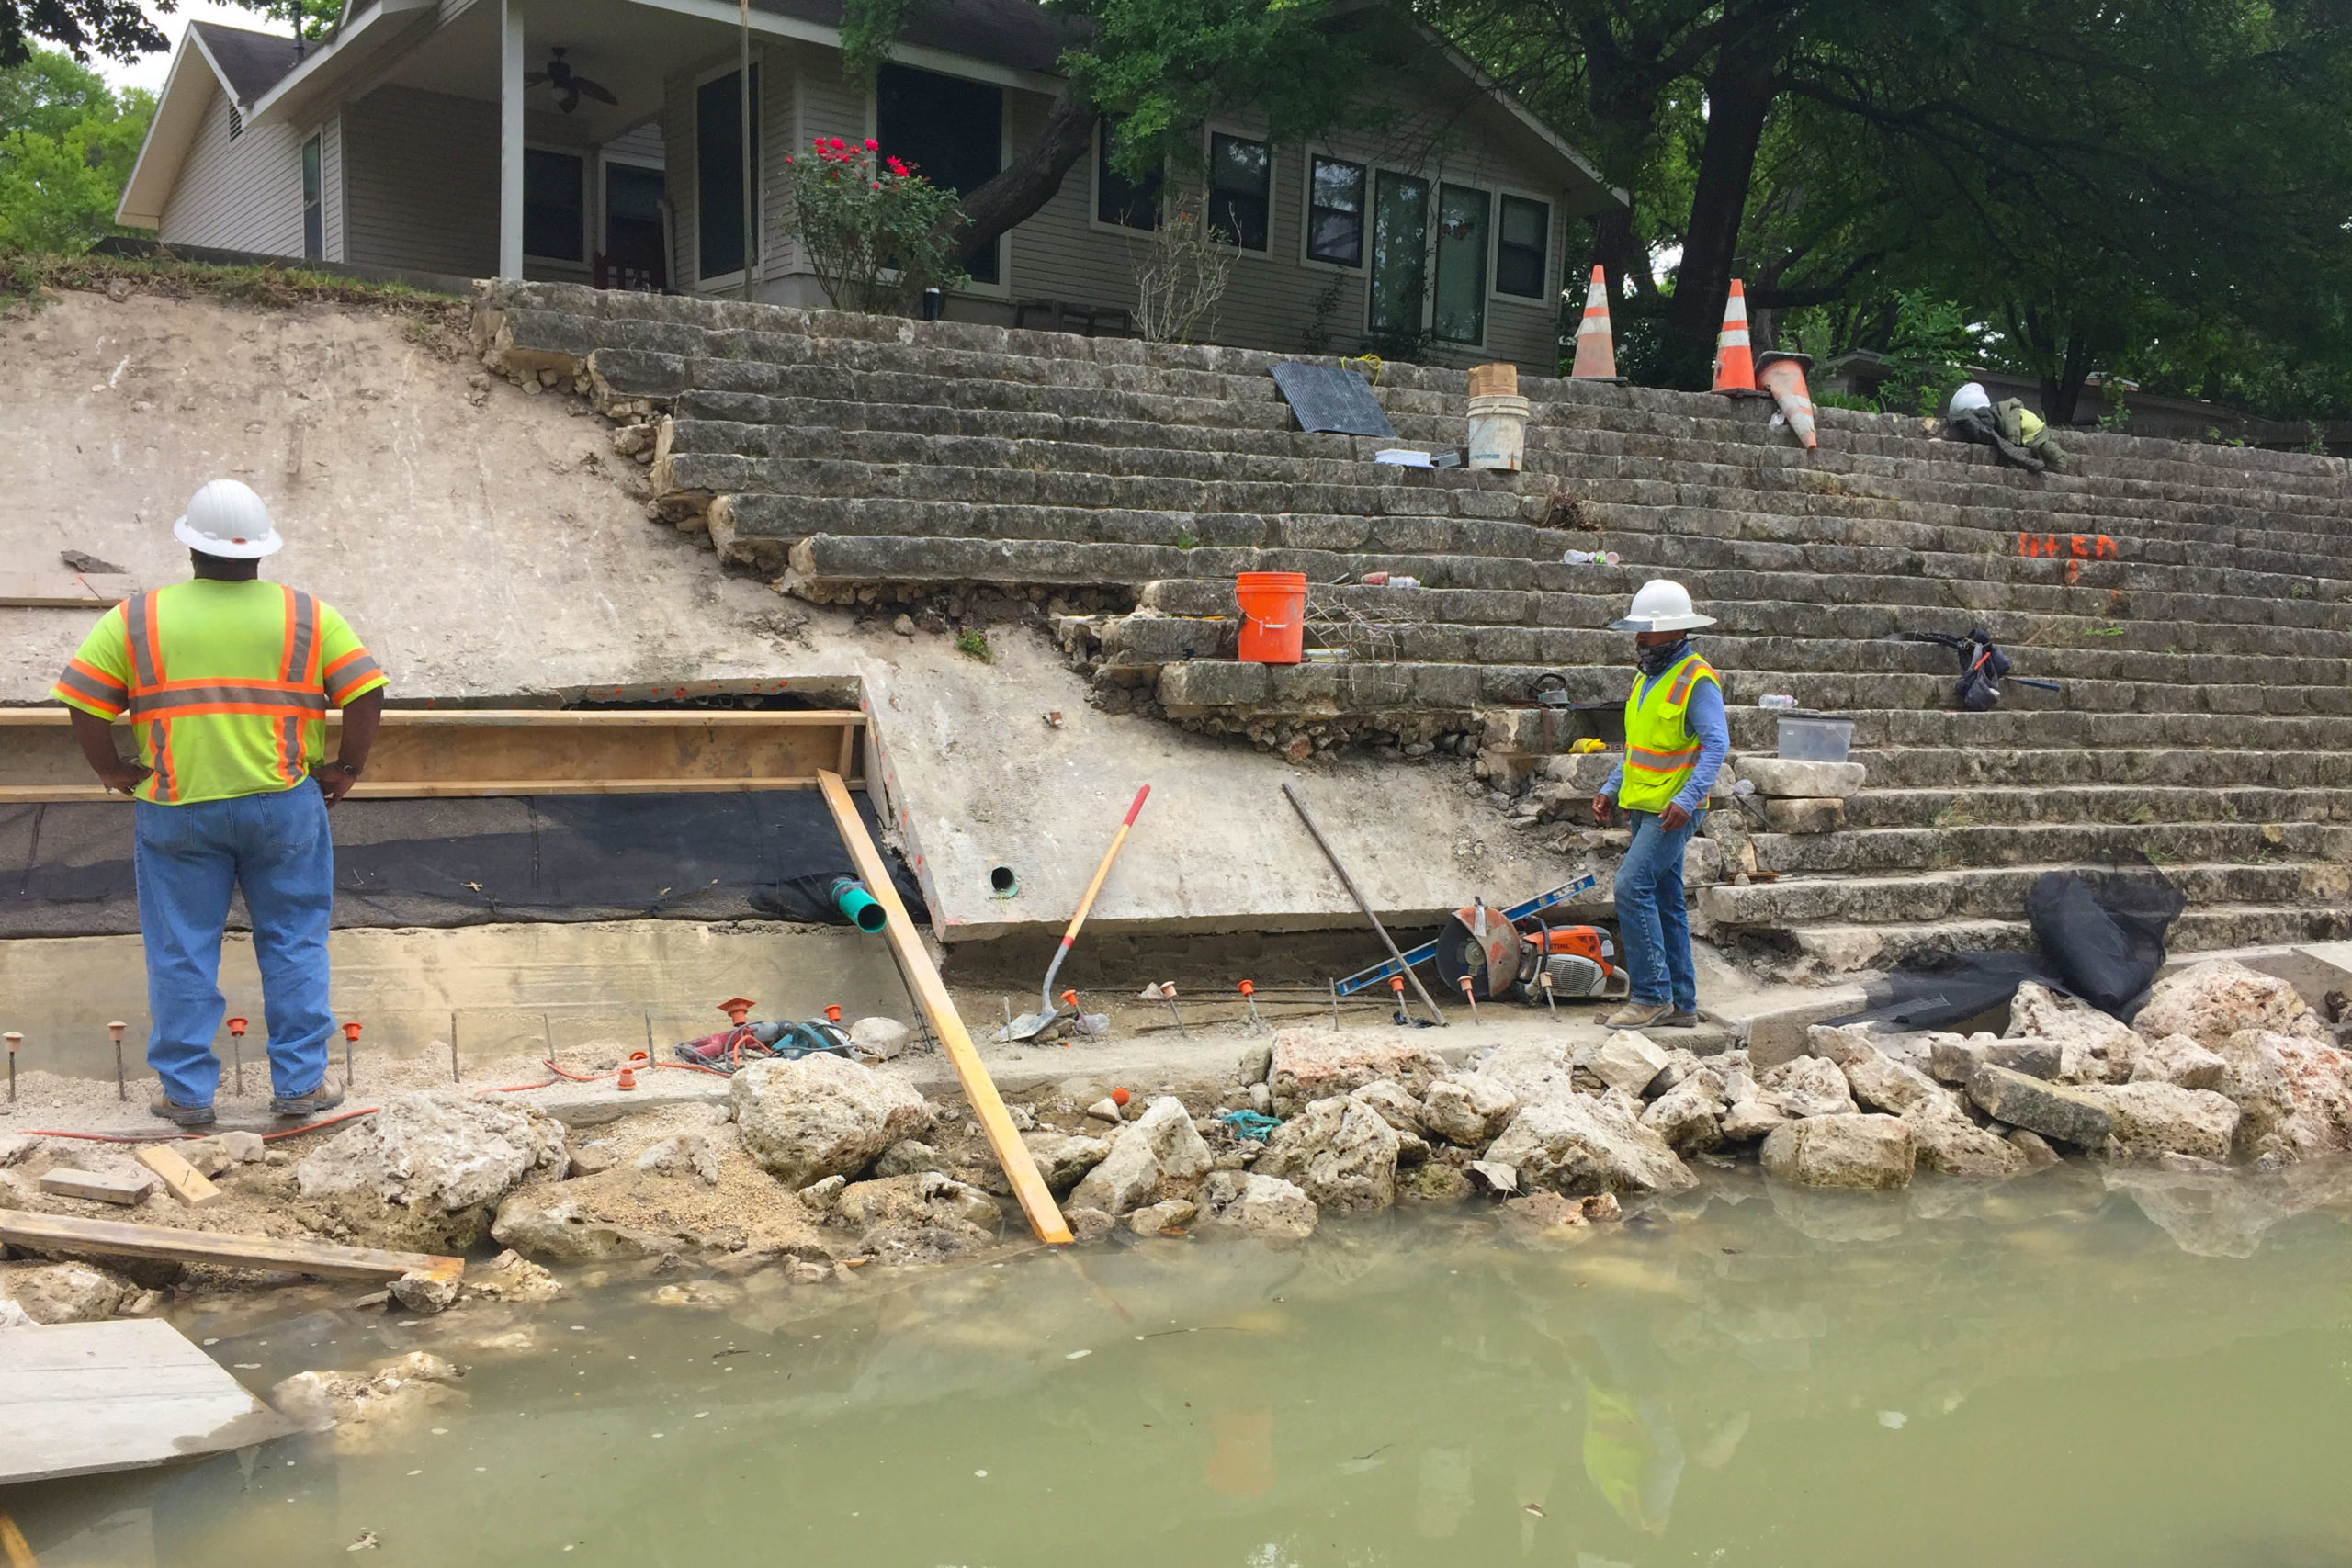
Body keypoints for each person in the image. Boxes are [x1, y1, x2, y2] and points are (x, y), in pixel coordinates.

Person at [51, 480, 387, 1126]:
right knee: (294, 941)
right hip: (284, 803)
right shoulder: (308, 614)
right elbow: (366, 688)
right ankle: (299, 1086)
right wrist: (347, 767)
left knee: (181, 947)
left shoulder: (140, 617)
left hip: (177, 804)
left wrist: (111, 769)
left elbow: (83, 696)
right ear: (262, 551)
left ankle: (186, 1094)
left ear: (190, 548)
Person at [1589, 580, 1727, 1029]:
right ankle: (1682, 1005)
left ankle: (1650, 997)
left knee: (1631, 887)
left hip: (1673, 809)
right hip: (1644, 805)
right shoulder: (1646, 679)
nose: (1639, 640)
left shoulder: (1697, 680)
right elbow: (1637, 747)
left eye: (1646, 632)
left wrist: (1689, 799)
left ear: (1672, 632)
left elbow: (1715, 744)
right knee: (1666, 899)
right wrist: (1611, 788)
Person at [1944, 380, 2067, 472]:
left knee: (2051, 451)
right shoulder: (1992, 415)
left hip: (2032, 431)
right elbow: (1998, 440)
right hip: (2033, 431)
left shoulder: (1992, 415)